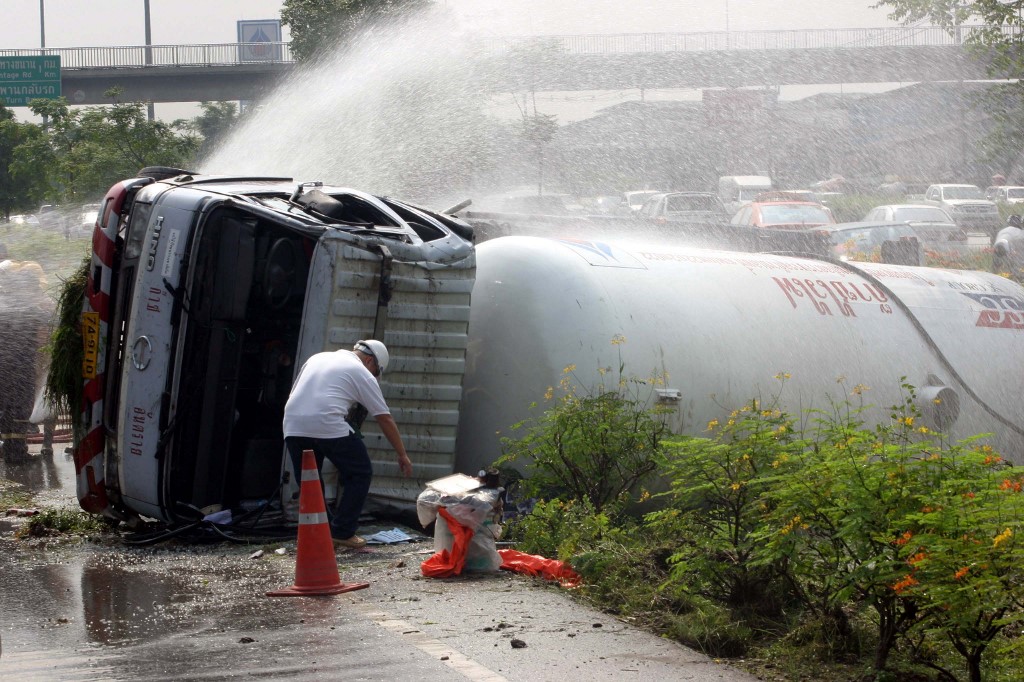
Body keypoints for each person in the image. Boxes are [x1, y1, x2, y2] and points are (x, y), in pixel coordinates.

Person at [282, 339, 413, 548]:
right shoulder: (360, 371)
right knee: (359, 472)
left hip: (293, 425)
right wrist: (402, 454)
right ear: (370, 361)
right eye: (376, 372)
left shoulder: (317, 358)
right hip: (327, 423)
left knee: (310, 480)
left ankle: (317, 535)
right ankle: (342, 532)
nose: (374, 377)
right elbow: (384, 418)